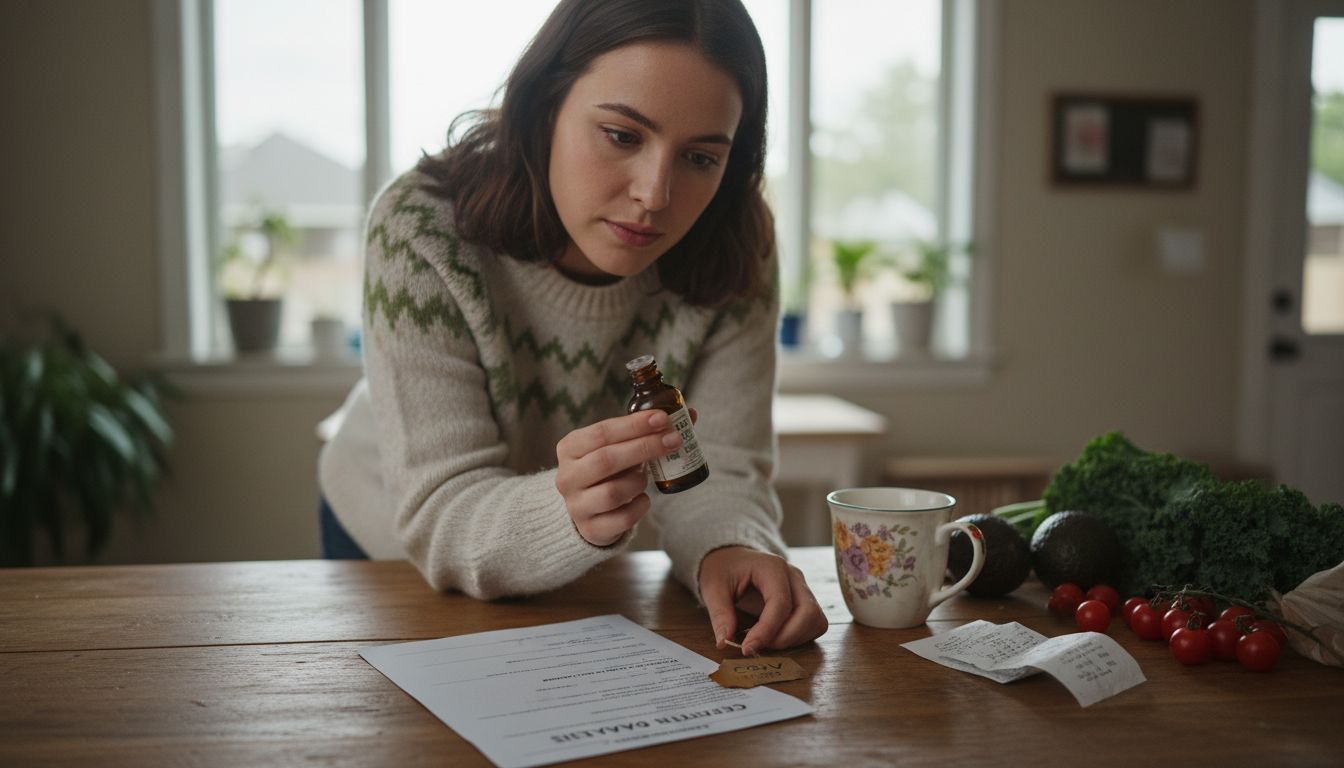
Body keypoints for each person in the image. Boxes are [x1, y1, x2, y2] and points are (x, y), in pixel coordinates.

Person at [318, 0, 827, 657]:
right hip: (388, 541)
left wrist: (729, 547)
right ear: (545, 106)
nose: (655, 194)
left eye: (701, 158)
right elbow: (443, 509)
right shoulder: (423, 226)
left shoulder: (736, 245)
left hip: (581, 558)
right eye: (622, 135)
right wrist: (568, 514)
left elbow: (717, 470)